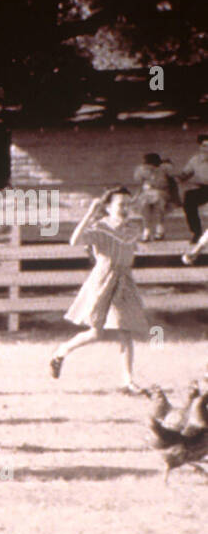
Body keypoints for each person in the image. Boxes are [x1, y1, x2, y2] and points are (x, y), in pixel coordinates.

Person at [48, 186, 150, 393]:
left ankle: (128, 381)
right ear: (109, 207)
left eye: (128, 204)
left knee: (125, 330)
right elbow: (74, 240)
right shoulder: (101, 227)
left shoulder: (131, 228)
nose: (125, 208)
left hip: (124, 280)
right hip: (103, 279)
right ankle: (60, 352)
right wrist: (90, 213)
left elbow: (140, 236)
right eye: (121, 204)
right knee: (96, 332)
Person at [132, 152, 179, 242]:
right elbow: (139, 183)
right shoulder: (142, 171)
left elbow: (164, 184)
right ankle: (147, 230)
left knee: (158, 201)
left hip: (162, 194)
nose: (147, 167)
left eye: (149, 165)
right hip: (146, 195)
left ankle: (159, 229)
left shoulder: (162, 171)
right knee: (144, 204)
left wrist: (151, 185)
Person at [176, 134, 208, 243]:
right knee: (189, 198)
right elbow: (185, 174)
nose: (206, 149)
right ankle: (197, 232)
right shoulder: (195, 159)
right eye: (204, 146)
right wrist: (177, 178)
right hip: (204, 189)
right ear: (200, 147)